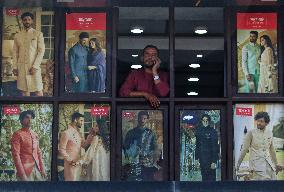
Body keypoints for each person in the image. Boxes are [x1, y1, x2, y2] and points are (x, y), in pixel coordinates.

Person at [236, 112, 282, 180]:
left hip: (269, 166)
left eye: (261, 121)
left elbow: (272, 150)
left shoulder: (270, 133)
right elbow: (244, 149)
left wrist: (276, 164)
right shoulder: (251, 133)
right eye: (257, 121)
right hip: (256, 167)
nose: (258, 123)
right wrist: (237, 165)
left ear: (266, 123)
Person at [12, 12, 45, 96]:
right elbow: (15, 52)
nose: (27, 21)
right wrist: (15, 67)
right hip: (21, 67)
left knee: (38, 90)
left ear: (32, 21)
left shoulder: (38, 34)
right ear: (22, 21)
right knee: (24, 90)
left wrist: (35, 66)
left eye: (29, 19)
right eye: (25, 20)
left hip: (34, 67)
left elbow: (41, 51)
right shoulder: (17, 36)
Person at [123, 111, 160, 181]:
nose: (142, 120)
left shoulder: (151, 133)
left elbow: (154, 148)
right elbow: (126, 148)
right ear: (138, 119)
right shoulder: (131, 132)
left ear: (147, 120)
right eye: (141, 118)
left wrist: (151, 156)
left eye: (144, 118)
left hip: (147, 164)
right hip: (133, 164)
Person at [11, 110, 46, 181]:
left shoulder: (35, 134)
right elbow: (16, 155)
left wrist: (42, 169)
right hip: (25, 171)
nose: (30, 120)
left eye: (31, 118)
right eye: (27, 117)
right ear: (21, 120)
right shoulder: (17, 134)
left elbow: (38, 153)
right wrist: (22, 175)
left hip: (37, 170)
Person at [58, 112, 93, 181]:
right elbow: (61, 149)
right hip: (70, 165)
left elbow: (84, 145)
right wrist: (70, 161)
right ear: (75, 120)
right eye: (81, 120)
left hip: (78, 164)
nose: (82, 123)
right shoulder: (66, 133)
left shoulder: (79, 134)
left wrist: (90, 135)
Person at [195, 114, 219, 181]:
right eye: (204, 120)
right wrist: (196, 158)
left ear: (209, 121)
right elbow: (197, 145)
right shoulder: (199, 131)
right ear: (202, 121)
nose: (205, 122)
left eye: (207, 120)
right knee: (204, 179)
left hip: (211, 160)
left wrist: (214, 161)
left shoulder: (213, 131)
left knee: (212, 180)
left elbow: (215, 147)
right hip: (202, 160)